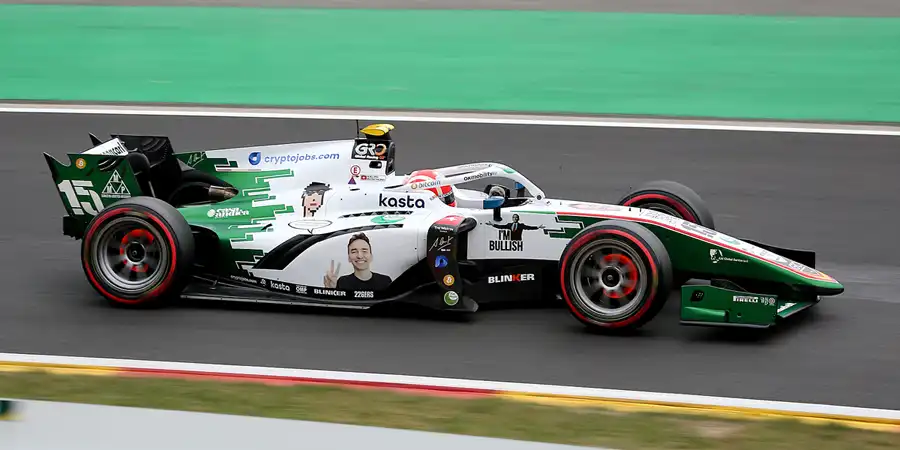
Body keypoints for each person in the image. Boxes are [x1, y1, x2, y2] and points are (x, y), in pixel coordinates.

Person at [323, 233, 392, 291]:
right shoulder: (342, 282)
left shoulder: (385, 281)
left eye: (364, 251)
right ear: (349, 258)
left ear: (371, 256)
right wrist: (331, 291)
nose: (360, 256)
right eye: (354, 252)